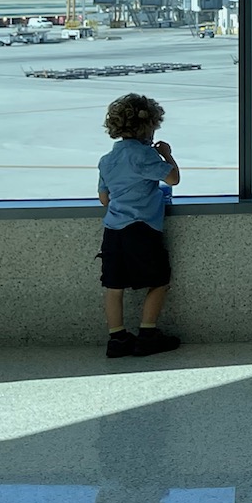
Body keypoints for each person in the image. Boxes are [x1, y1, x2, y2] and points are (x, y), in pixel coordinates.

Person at [97, 92, 181, 359]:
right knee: (159, 281)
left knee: (114, 286)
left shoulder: (106, 160)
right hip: (142, 229)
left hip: (113, 230)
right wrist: (166, 155)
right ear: (149, 126)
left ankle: (117, 338)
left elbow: (104, 198)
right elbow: (173, 179)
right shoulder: (144, 157)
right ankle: (147, 334)